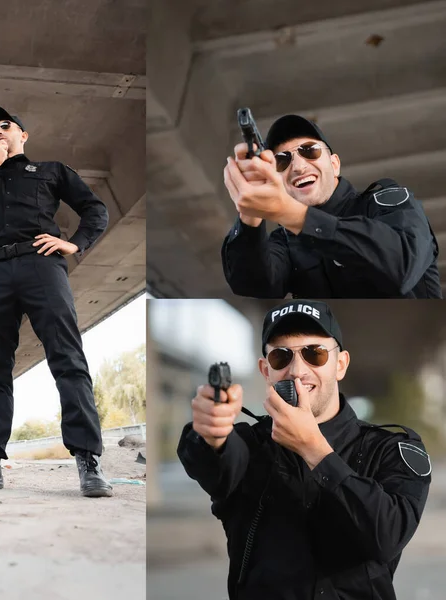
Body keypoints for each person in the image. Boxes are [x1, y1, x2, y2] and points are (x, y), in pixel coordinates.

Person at [177, 300, 431, 599]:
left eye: (315, 354)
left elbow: (387, 536)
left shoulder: (390, 448)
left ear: (340, 365)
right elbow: (212, 459)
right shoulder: (248, 444)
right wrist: (210, 431)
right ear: (265, 369)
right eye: (281, 356)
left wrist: (315, 449)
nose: (297, 370)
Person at [0, 106, 112, 497]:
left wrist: (74, 244)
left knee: (67, 358)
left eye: (4, 126)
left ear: (23, 134)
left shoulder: (51, 171)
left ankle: (88, 462)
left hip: (42, 267)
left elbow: (96, 209)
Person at [221, 115, 442, 298]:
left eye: (309, 151)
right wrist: (250, 215)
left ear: (334, 164)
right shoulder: (285, 240)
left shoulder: (383, 204)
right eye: (283, 160)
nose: (298, 166)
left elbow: (402, 264)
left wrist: (293, 214)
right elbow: (252, 284)